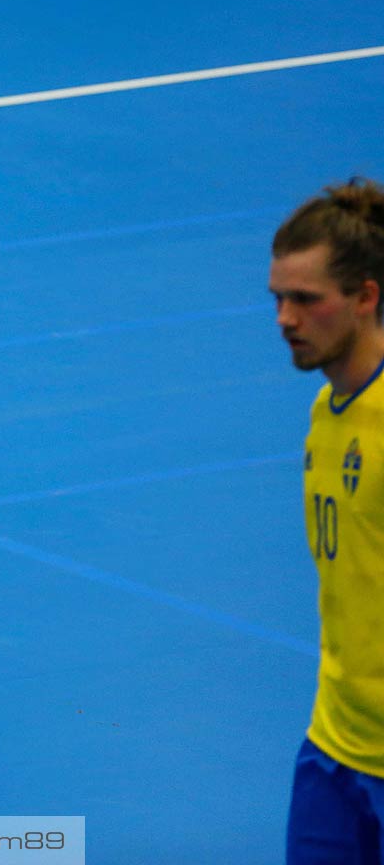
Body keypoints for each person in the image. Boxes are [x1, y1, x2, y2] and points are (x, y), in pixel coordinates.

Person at [270, 180, 384, 864]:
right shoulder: (327, 410)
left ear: (366, 297)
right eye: (279, 298)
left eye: (306, 301)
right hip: (334, 749)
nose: (285, 318)